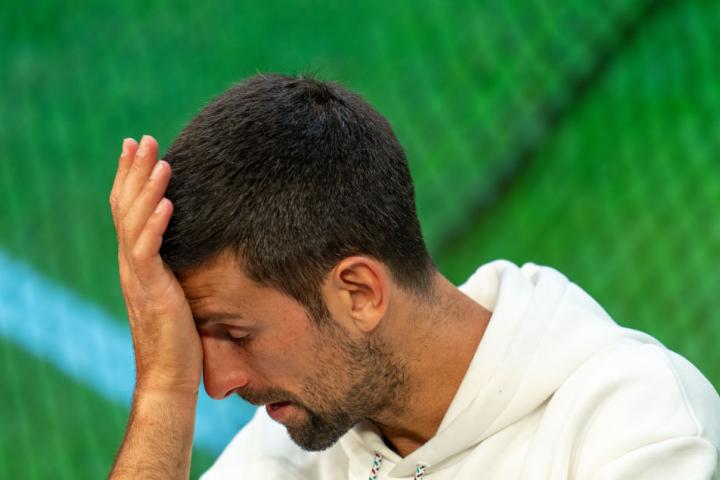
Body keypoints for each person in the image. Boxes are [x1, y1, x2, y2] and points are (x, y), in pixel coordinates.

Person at [108, 74, 720, 479]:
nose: (217, 383)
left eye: (237, 334)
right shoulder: (293, 450)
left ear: (359, 293)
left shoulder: (636, 426)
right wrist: (164, 391)